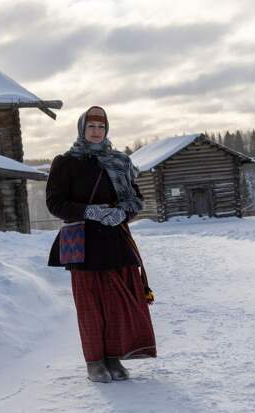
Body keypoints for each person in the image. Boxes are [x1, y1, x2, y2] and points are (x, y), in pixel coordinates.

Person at [46, 106, 156, 383]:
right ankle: (94, 361)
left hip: (114, 239)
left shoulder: (120, 162)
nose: (96, 131)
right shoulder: (66, 162)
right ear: (82, 129)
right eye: (91, 126)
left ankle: (113, 357)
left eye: (101, 127)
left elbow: (136, 200)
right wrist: (89, 211)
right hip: (82, 242)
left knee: (116, 301)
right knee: (90, 304)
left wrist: (122, 213)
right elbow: (55, 203)